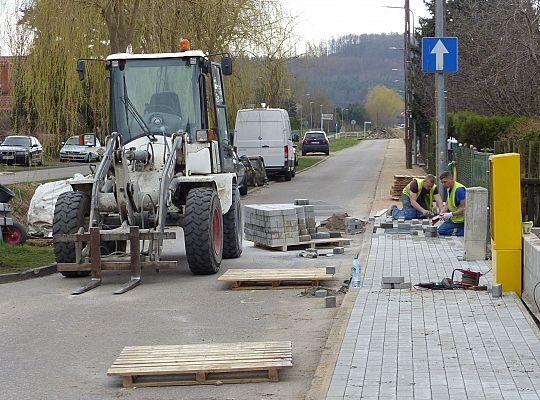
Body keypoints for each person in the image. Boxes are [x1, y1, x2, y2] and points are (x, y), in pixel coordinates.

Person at [438, 171, 466, 236]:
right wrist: (440, 214)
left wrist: (450, 214)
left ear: (451, 179)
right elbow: (447, 204)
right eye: (442, 182)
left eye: (445, 182)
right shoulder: (449, 188)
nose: (443, 184)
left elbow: (464, 208)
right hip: (454, 218)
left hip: (460, 220)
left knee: (442, 230)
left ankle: (464, 231)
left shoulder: (459, 190)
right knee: (440, 230)